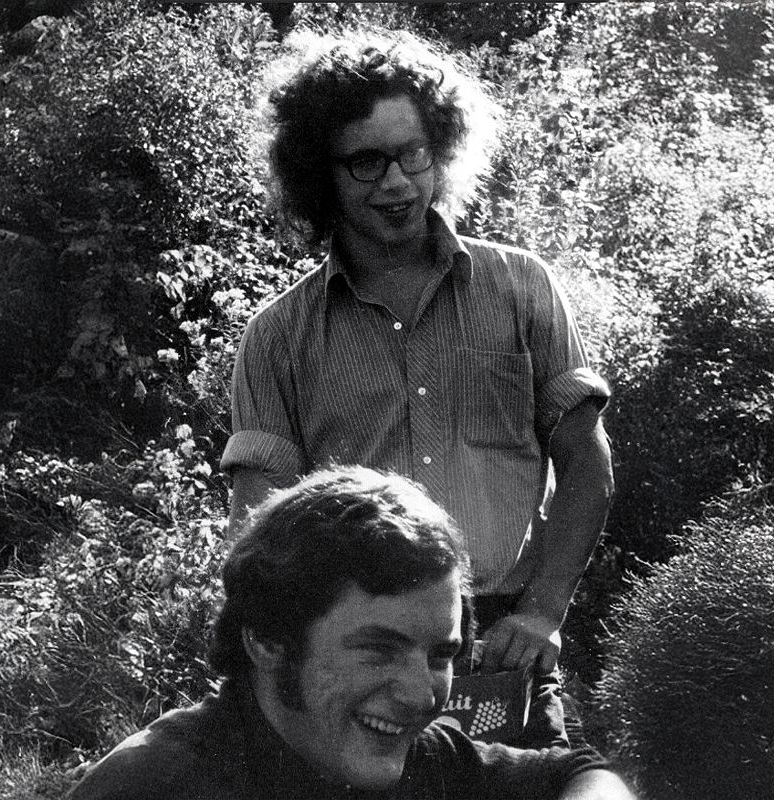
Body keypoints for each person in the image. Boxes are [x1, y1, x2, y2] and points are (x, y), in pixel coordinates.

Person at [222, 29, 614, 745]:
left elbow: (586, 463)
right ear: (318, 173)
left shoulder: (522, 287)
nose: (398, 183)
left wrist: (545, 610)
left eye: (413, 153)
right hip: (359, 657)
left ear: (443, 148)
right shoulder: (277, 336)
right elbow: (260, 528)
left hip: (505, 644)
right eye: (366, 162)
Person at [68, 467, 633, 800]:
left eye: (440, 655)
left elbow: (579, 774)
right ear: (266, 639)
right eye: (379, 650)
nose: (421, 696)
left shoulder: (415, 761)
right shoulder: (153, 784)